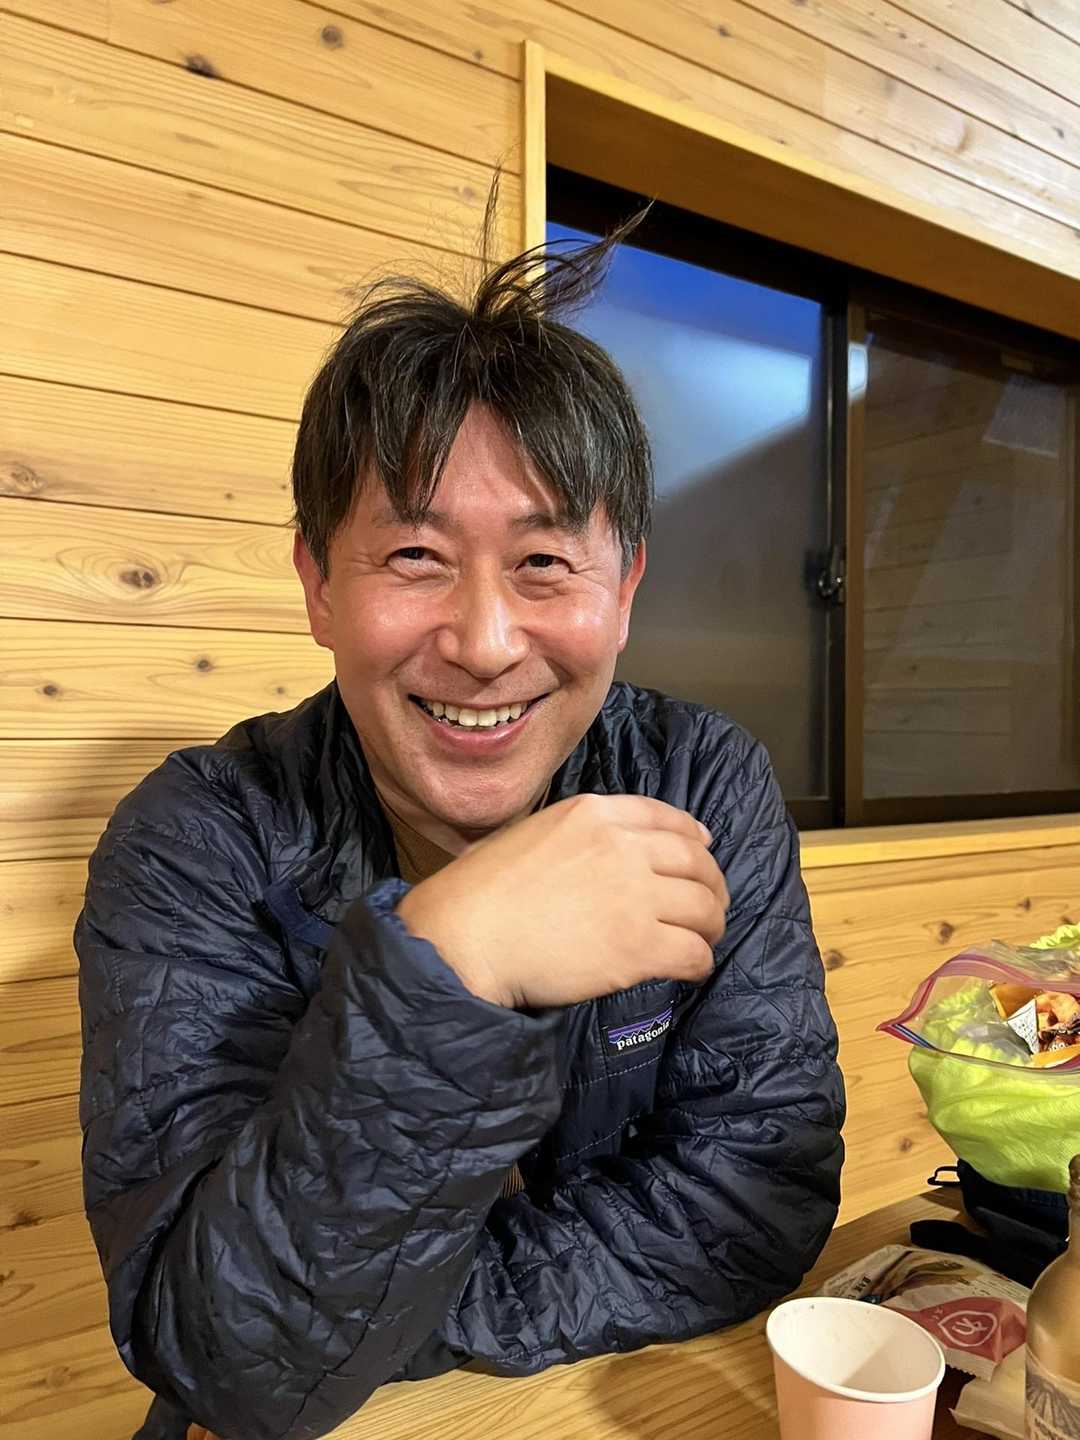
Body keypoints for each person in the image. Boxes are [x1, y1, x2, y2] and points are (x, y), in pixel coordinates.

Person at [76, 210, 845, 1440]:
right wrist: (449, 965)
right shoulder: (201, 839)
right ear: (320, 585)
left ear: (625, 588)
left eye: (544, 563)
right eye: (416, 556)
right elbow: (218, 1349)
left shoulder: (700, 781)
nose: (485, 644)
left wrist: (386, 1314)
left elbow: (760, 1197)